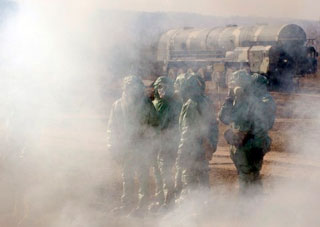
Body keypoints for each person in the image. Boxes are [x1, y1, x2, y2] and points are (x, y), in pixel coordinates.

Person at [107, 75, 158, 216]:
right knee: (127, 176)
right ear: (125, 88)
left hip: (142, 146)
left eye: (135, 87)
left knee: (143, 177)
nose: (133, 91)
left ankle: (142, 206)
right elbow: (112, 127)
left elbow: (154, 124)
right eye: (130, 87)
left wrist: (150, 142)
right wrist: (112, 145)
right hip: (126, 146)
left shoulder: (147, 105)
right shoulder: (117, 105)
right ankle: (127, 204)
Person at [219, 70, 276, 194]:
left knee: (246, 177)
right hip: (252, 143)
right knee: (252, 177)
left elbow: (241, 129)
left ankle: (247, 208)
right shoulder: (244, 100)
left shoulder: (250, 101)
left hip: (249, 145)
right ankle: (257, 205)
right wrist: (230, 99)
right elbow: (223, 117)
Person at [175, 73, 219, 201]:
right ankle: (203, 210)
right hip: (204, 148)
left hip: (192, 150)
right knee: (203, 180)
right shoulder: (205, 101)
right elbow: (213, 126)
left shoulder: (190, 105)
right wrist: (211, 146)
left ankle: (189, 212)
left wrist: (181, 155)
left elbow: (187, 133)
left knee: (188, 181)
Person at [150, 76, 182, 211]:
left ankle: (168, 201)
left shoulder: (165, 104)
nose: (162, 90)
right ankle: (162, 199)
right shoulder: (173, 102)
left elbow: (158, 124)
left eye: (165, 87)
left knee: (164, 172)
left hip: (166, 142)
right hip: (162, 143)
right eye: (160, 87)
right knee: (160, 172)